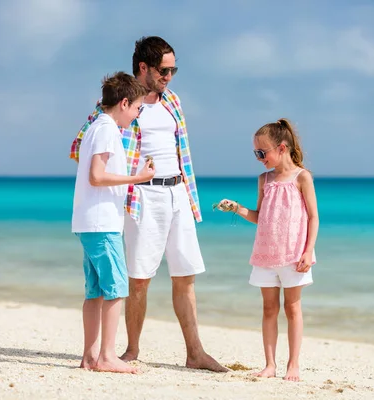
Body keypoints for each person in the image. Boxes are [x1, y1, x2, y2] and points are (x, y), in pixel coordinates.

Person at [70, 36, 227, 372]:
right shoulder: (117, 106)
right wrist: (129, 177)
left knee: (186, 274)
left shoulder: (173, 101)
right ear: (144, 67)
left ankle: (195, 353)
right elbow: (78, 149)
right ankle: (130, 351)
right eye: (164, 70)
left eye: (173, 69)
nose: (169, 76)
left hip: (178, 192)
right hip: (142, 195)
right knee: (138, 278)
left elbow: (181, 150)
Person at [216, 118, 319, 381]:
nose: (259, 158)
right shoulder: (264, 179)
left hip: (294, 254)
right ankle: (270, 365)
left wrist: (309, 250)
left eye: (262, 153)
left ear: (282, 148)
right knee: (268, 309)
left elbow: (313, 217)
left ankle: (293, 365)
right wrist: (237, 208)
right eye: (256, 153)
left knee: (292, 308)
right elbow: (261, 216)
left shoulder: (302, 177)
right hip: (265, 254)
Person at [71, 71, 155, 374]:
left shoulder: (96, 127)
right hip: (101, 223)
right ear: (123, 103)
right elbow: (97, 175)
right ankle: (106, 356)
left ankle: (90, 356)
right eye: (137, 108)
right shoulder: (107, 130)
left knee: (95, 291)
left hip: (90, 222)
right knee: (117, 288)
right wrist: (139, 178)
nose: (136, 115)